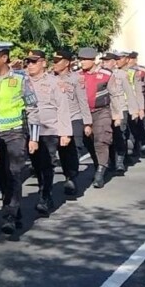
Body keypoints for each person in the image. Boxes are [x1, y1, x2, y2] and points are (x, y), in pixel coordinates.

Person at [0, 42, 39, 234]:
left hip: (15, 133)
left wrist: (34, 137)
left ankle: (10, 216)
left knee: (14, 172)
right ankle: (15, 209)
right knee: (0, 176)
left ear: (4, 58)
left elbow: (33, 108)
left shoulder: (21, 80)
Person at [23, 50, 71, 215]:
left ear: (43, 63)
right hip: (27, 130)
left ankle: (45, 195)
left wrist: (65, 133)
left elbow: (63, 108)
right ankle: (43, 188)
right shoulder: (22, 81)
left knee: (47, 164)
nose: (30, 65)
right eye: (28, 62)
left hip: (49, 129)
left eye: (34, 61)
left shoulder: (54, 82)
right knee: (36, 166)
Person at [51, 49, 93, 193]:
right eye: (54, 61)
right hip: (57, 120)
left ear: (67, 63)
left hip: (74, 117)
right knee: (63, 151)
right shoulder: (50, 78)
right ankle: (68, 174)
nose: (54, 64)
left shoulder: (76, 79)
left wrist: (87, 123)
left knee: (74, 148)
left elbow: (83, 101)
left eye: (58, 61)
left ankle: (72, 177)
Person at [77, 48, 119, 188]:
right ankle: (99, 164)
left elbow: (114, 94)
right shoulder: (77, 76)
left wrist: (117, 114)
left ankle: (100, 172)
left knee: (101, 139)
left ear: (93, 60)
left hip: (101, 111)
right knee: (88, 142)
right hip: (83, 114)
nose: (82, 62)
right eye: (80, 59)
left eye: (84, 59)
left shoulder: (106, 74)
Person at [104, 52, 140, 173]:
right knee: (107, 136)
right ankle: (109, 161)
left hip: (120, 108)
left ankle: (120, 161)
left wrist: (134, 110)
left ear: (115, 62)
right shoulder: (100, 75)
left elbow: (129, 92)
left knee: (120, 134)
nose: (105, 63)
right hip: (105, 109)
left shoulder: (122, 74)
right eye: (103, 61)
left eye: (108, 61)